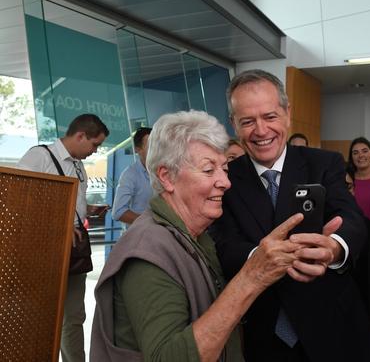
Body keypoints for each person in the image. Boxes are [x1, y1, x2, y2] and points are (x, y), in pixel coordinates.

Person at [91, 110, 306, 361]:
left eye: (224, 168)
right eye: (208, 170)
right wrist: (252, 277)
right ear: (166, 177)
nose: (225, 182)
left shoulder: (198, 235)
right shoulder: (148, 252)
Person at [209, 69, 370, 362]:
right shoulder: (225, 179)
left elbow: (351, 218)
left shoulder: (324, 164)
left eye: (270, 116)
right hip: (263, 333)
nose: (261, 131)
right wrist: (262, 259)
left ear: (288, 114)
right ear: (234, 125)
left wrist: (334, 247)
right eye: (248, 121)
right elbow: (223, 243)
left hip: (331, 327)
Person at [18, 113, 109, 362]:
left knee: (74, 316)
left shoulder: (79, 167)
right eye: (95, 144)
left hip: (73, 252)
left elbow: (72, 204)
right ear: (80, 135)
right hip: (44, 253)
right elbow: (19, 199)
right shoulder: (39, 157)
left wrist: (88, 210)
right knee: (41, 316)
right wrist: (59, 223)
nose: (95, 151)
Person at [112, 127, 153, 227]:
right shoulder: (130, 175)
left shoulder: (165, 171)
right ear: (137, 149)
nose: (156, 150)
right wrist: (151, 223)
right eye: (150, 146)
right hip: (141, 236)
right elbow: (118, 212)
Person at [346, 136, 370, 221]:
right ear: (352, 157)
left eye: (365, 151)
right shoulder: (347, 180)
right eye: (355, 153)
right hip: (353, 230)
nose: (360, 155)